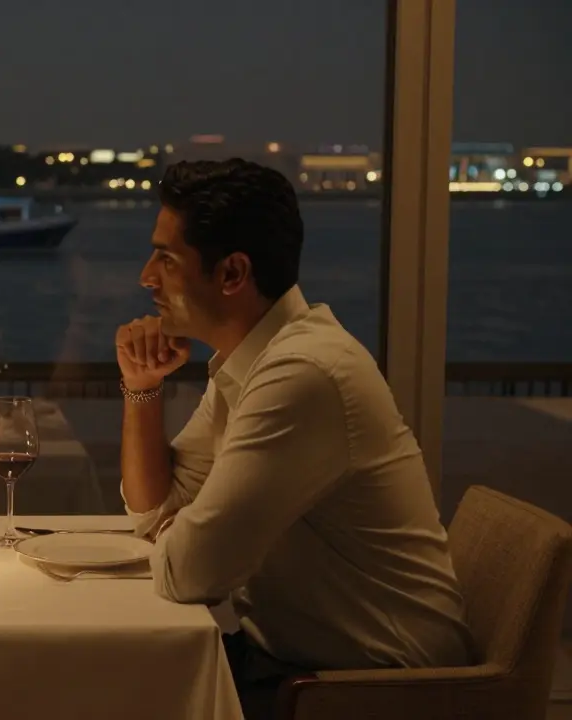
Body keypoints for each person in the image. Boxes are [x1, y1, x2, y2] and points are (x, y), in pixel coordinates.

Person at [116, 159, 473, 718]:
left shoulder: (302, 374)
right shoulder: (253, 362)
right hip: (297, 666)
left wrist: (182, 532)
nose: (146, 276)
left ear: (232, 273)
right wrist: (141, 387)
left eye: (166, 258)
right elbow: (153, 510)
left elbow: (189, 574)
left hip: (375, 691)